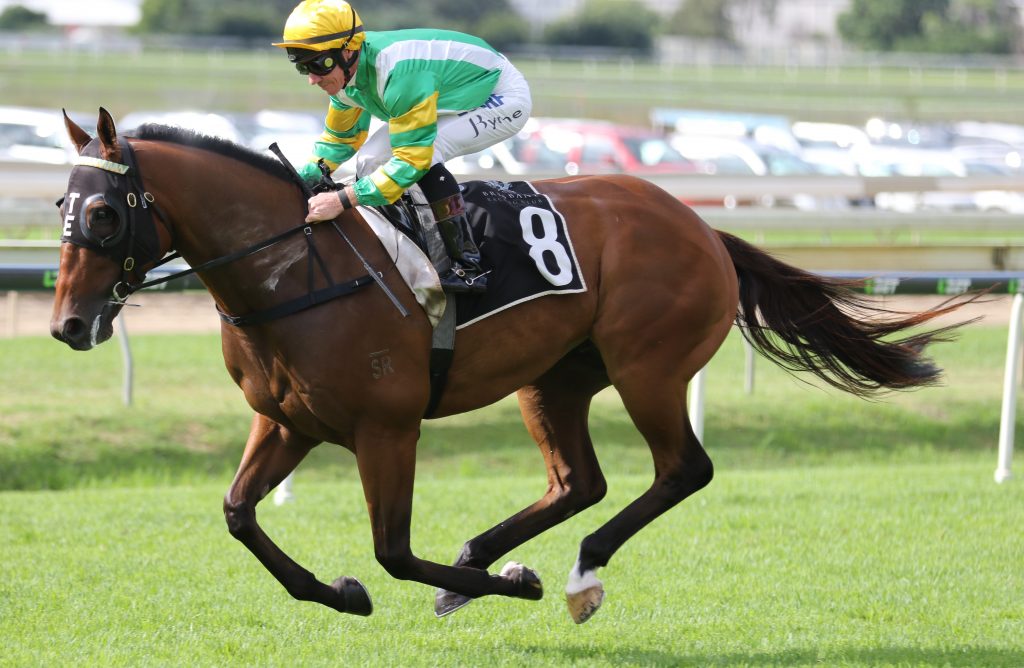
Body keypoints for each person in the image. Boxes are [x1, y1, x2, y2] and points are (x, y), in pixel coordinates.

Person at [273, 0, 533, 293]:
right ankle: (407, 250)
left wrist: (342, 200)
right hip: (448, 90)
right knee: (370, 161)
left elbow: (412, 160)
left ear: (347, 51)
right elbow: (342, 139)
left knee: (427, 154)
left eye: (318, 65)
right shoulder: (344, 76)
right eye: (302, 67)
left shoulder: (396, 73)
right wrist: (301, 175)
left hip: (500, 95)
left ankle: (468, 264)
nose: (312, 79)